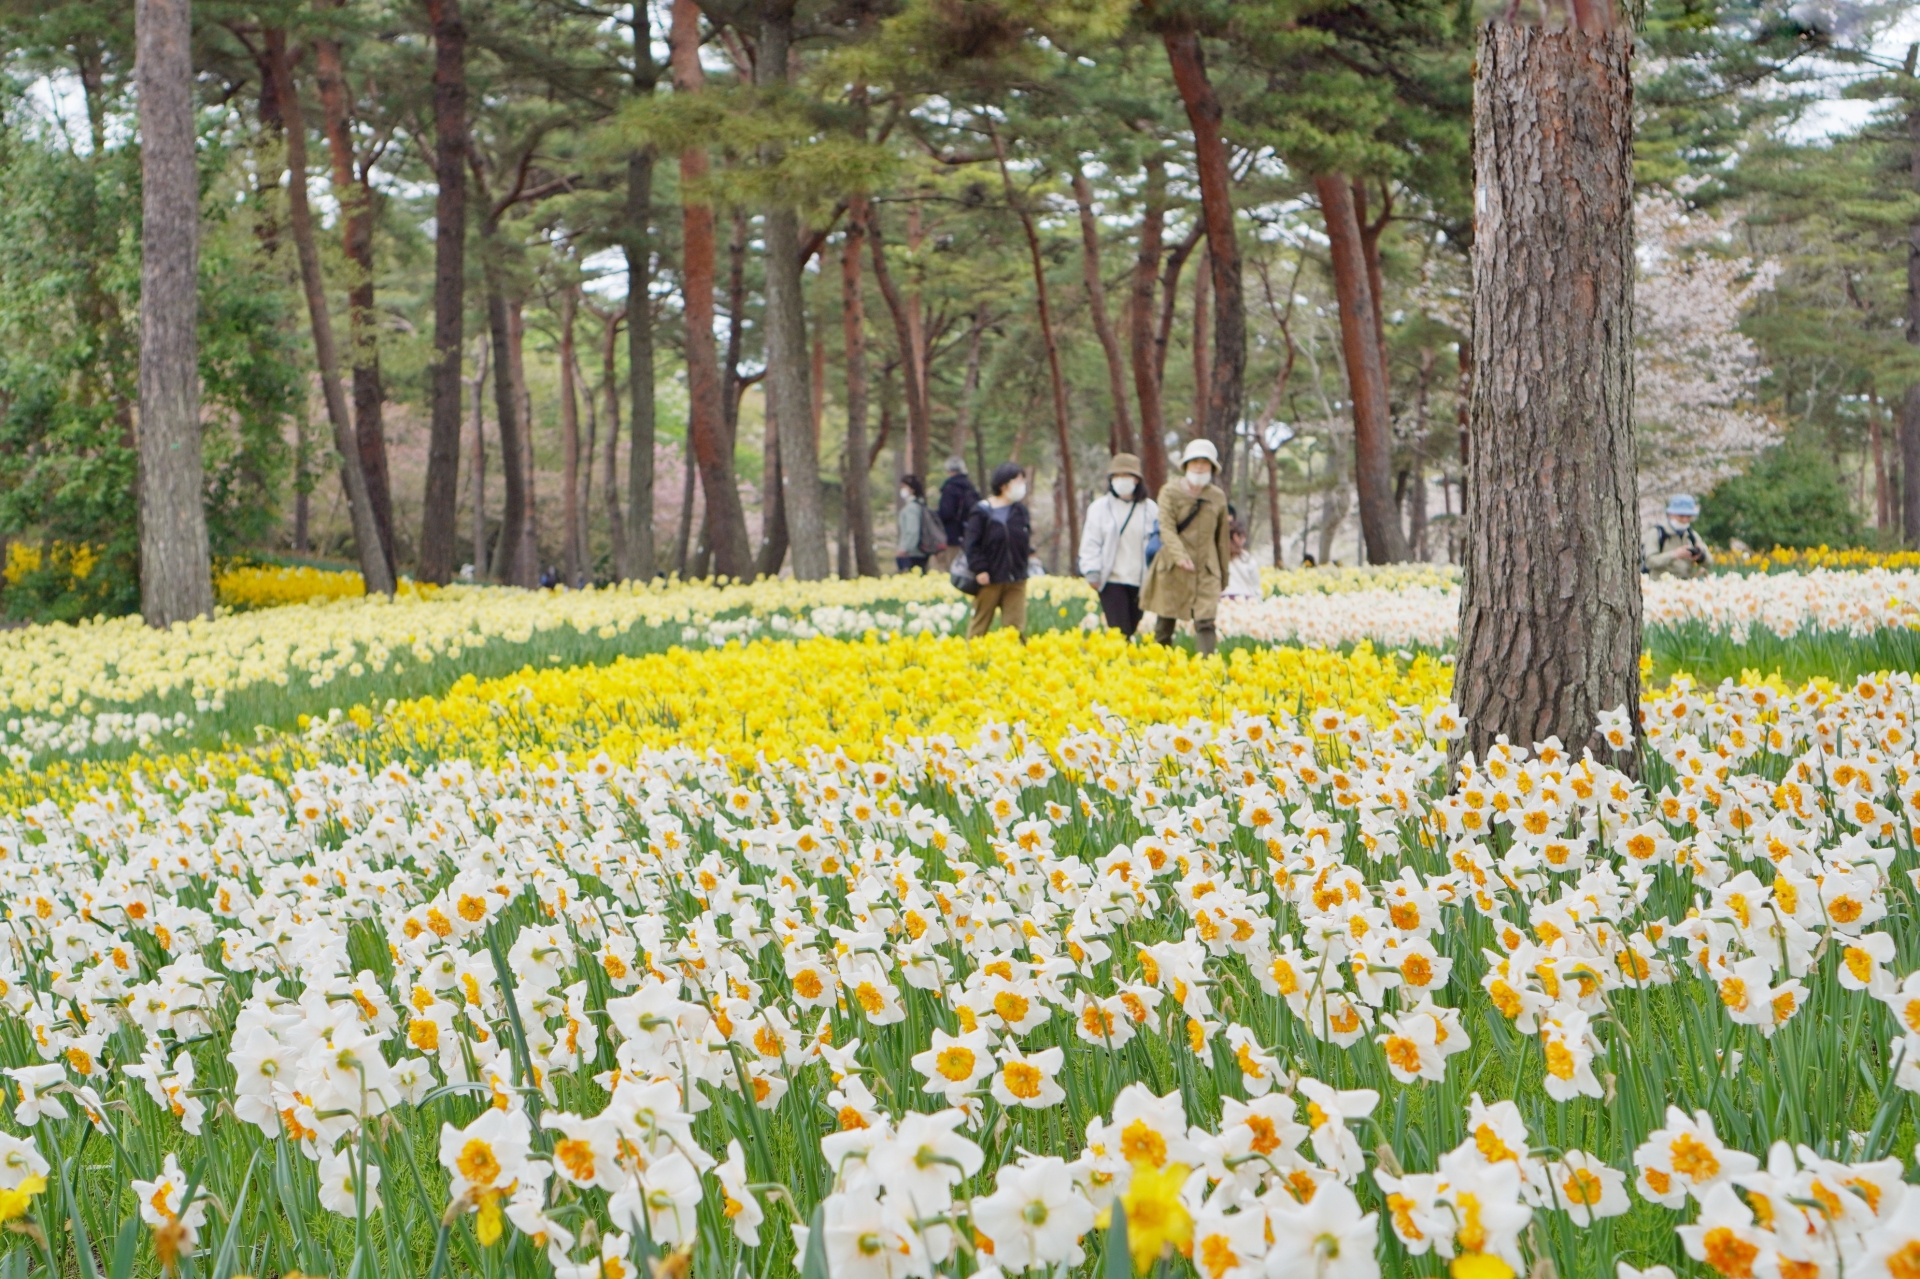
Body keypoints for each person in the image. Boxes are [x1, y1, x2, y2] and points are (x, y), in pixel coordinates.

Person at [1141, 438, 1233, 655]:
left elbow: (1222, 538)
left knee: (1205, 622)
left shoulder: (1217, 497)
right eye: (1195, 461)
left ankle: (1206, 672)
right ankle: (1158, 669)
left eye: (1205, 462)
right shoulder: (1170, 492)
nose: (1200, 466)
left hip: (1206, 569)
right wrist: (1179, 556)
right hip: (1173, 566)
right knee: (1165, 621)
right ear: (1186, 465)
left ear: (1212, 467)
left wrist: (1224, 574)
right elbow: (1167, 528)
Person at [1078, 452, 1158, 636]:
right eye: (1117, 476)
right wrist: (1092, 571)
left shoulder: (1150, 509)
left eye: (1126, 476)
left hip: (1140, 581)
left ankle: (1123, 662)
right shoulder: (1100, 508)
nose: (1121, 480)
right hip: (1111, 579)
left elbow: (1158, 542)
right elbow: (1091, 542)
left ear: (1137, 480)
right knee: (1119, 631)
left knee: (1131, 628)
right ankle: (1118, 662)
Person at [961, 462, 1031, 638]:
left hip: (1016, 578)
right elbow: (971, 544)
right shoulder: (982, 511)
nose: (1023, 486)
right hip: (989, 578)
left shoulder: (1020, 511)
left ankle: (1016, 661)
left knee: (1014, 627)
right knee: (980, 624)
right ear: (1004, 485)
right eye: (1018, 481)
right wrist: (980, 569)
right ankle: (973, 659)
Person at [1645, 494, 1713, 578]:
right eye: (1681, 515)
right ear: (1671, 514)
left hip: (1686, 585)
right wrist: (1674, 554)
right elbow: (1649, 562)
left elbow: (1710, 562)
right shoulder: (1657, 533)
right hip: (1660, 585)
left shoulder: (1692, 535)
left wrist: (1701, 556)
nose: (1685, 520)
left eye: (1688, 516)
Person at [936, 457, 981, 547]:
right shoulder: (970, 487)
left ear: (949, 471)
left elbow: (946, 513)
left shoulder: (949, 488)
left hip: (953, 536)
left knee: (953, 560)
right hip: (971, 534)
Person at [896, 474, 933, 574]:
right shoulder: (921, 504)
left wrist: (904, 548)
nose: (902, 490)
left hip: (913, 552)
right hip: (922, 550)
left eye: (904, 487)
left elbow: (912, 530)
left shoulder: (911, 508)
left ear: (912, 489)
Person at [1223, 519, 1261, 600]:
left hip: (1226, 600)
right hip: (1244, 601)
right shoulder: (1248, 559)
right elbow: (1256, 586)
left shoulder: (1248, 559)